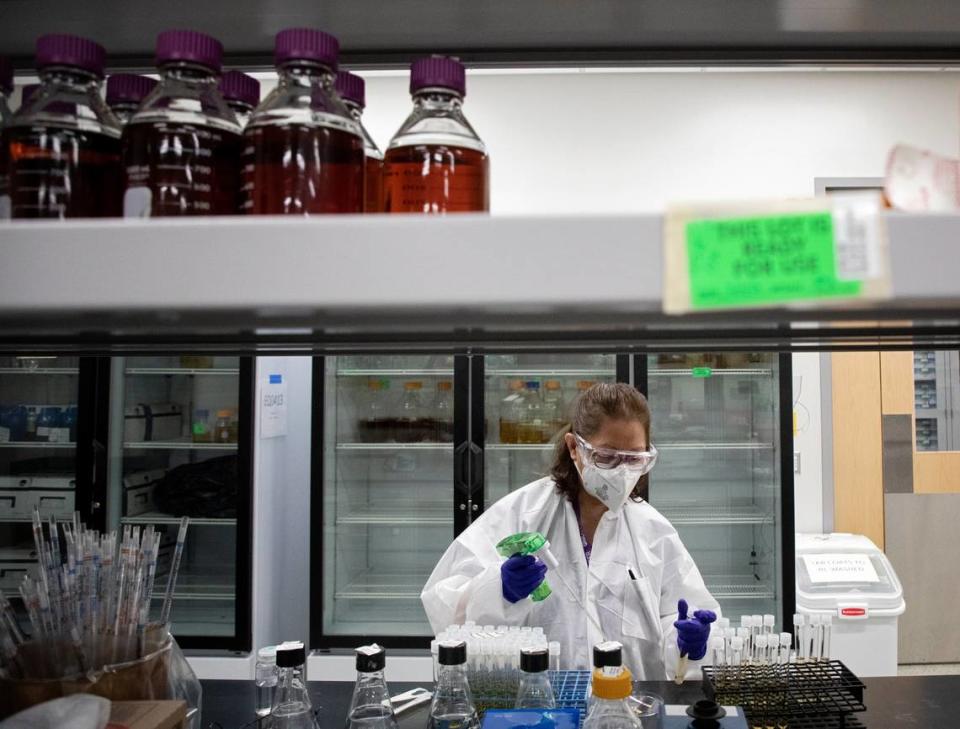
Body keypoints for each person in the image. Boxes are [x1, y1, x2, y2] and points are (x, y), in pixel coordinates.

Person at [421, 382, 720, 680]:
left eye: (634, 459)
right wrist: (499, 590)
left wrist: (688, 645)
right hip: (538, 704)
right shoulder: (522, 514)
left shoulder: (655, 533)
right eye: (607, 456)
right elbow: (445, 607)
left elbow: (682, 617)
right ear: (574, 448)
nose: (621, 471)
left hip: (630, 707)